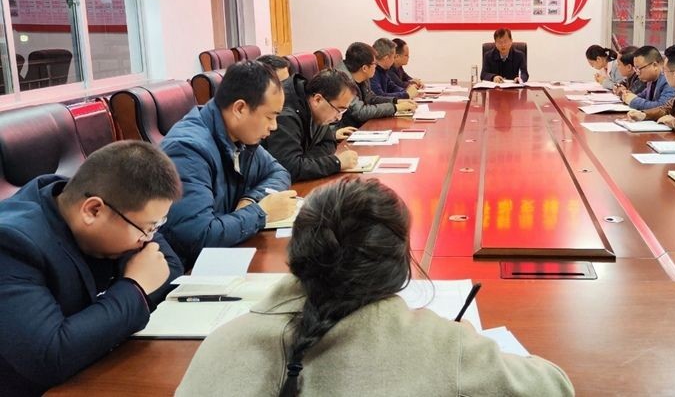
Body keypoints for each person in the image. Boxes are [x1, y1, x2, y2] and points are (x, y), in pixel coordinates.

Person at [177, 178, 575, 396]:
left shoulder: (222, 343)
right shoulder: (442, 346)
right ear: (397, 263)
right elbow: (555, 387)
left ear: (297, 251)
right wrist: (470, 344)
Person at [0, 141, 183, 396]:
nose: (149, 239)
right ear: (93, 210)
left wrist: (97, 324)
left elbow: (168, 266)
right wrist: (135, 287)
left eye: (156, 227)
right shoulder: (11, 244)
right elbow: (51, 357)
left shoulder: (110, 203)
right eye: (148, 228)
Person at [161, 61, 297, 268]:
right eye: (270, 117)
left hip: (226, 254)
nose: (274, 126)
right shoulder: (188, 150)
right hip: (190, 270)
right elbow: (198, 236)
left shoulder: (239, 136)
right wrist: (261, 213)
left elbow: (278, 172)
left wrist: (251, 199)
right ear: (240, 109)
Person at [264, 69, 360, 182]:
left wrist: (305, 161)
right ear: (318, 99)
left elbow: (329, 143)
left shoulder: (318, 109)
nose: (339, 117)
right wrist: (336, 163)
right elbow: (289, 167)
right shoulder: (286, 114)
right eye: (339, 110)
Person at [336, 42, 416, 128]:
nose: (376, 66)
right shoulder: (343, 82)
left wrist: (396, 101)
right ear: (365, 68)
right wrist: (395, 107)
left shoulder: (362, 76)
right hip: (348, 130)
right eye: (374, 63)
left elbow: (372, 98)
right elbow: (361, 112)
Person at [618, 45, 674, 110]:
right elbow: (642, 96)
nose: (637, 73)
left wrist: (632, 100)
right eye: (635, 69)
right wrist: (627, 95)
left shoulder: (669, 79)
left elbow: (662, 107)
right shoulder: (651, 80)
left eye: (639, 68)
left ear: (655, 65)